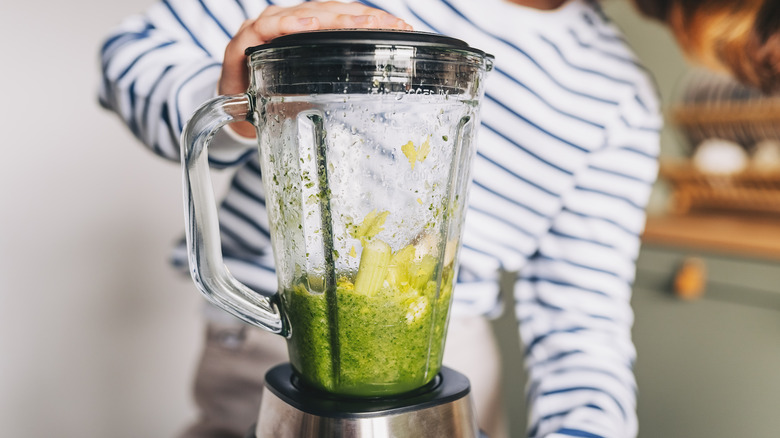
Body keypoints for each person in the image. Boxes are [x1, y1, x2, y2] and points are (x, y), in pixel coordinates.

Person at [98, 1, 777, 437]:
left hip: (457, 367)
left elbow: (582, 328)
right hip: (266, 353)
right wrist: (229, 99)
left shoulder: (616, 96)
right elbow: (129, 57)